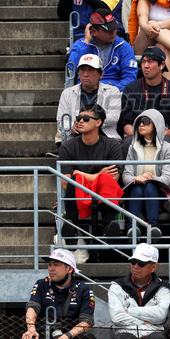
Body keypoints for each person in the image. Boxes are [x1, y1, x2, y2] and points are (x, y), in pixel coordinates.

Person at [108, 229, 170, 339]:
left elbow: (161, 315)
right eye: (133, 262)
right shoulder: (117, 285)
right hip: (127, 332)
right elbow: (116, 316)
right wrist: (145, 319)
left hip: (153, 333)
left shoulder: (164, 287)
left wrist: (129, 311)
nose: (135, 266)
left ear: (154, 266)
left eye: (141, 263)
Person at [56, 102, 124, 245]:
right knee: (76, 179)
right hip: (79, 192)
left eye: (86, 119)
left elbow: (114, 178)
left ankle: (109, 227)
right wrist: (96, 175)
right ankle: (71, 226)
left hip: (102, 193)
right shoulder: (68, 146)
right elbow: (65, 183)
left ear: (98, 122)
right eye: (79, 118)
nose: (80, 121)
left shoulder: (112, 145)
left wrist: (80, 173)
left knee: (105, 179)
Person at [57, 53, 122, 148]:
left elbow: (114, 117)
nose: (85, 74)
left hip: (105, 138)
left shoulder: (112, 91)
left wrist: (88, 124)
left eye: (90, 70)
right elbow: (61, 120)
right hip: (75, 138)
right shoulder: (67, 93)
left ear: (101, 74)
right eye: (82, 70)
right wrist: (72, 125)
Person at [119, 48, 170, 140]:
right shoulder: (130, 89)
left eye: (150, 61)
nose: (146, 66)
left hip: (164, 135)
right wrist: (134, 132)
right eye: (143, 61)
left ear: (162, 65)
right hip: (138, 133)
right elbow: (126, 122)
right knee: (127, 143)